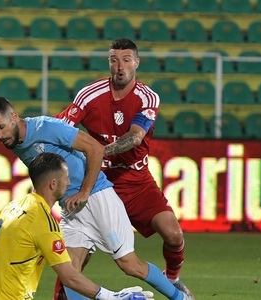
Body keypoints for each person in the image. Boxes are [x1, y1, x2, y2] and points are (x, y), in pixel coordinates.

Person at [0, 96, 193, 300]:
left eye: (1, 127)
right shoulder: (15, 143)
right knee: (70, 274)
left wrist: (85, 191)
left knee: (129, 265)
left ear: (14, 116)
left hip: (97, 198)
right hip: (71, 209)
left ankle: (180, 297)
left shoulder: (46, 127)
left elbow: (95, 149)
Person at [54, 38, 194, 299]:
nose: (120, 66)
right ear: (109, 62)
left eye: (126, 60)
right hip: (97, 184)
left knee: (174, 235)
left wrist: (97, 152)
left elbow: (135, 137)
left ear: (137, 63)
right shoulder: (89, 95)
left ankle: (172, 280)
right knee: (73, 265)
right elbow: (62, 127)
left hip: (136, 182)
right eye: (114, 60)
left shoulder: (147, 97)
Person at [0, 152, 154, 300]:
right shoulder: (45, 224)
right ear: (53, 184)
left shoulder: (14, 205)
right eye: (66, 178)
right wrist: (113, 297)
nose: (70, 182)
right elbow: (70, 277)